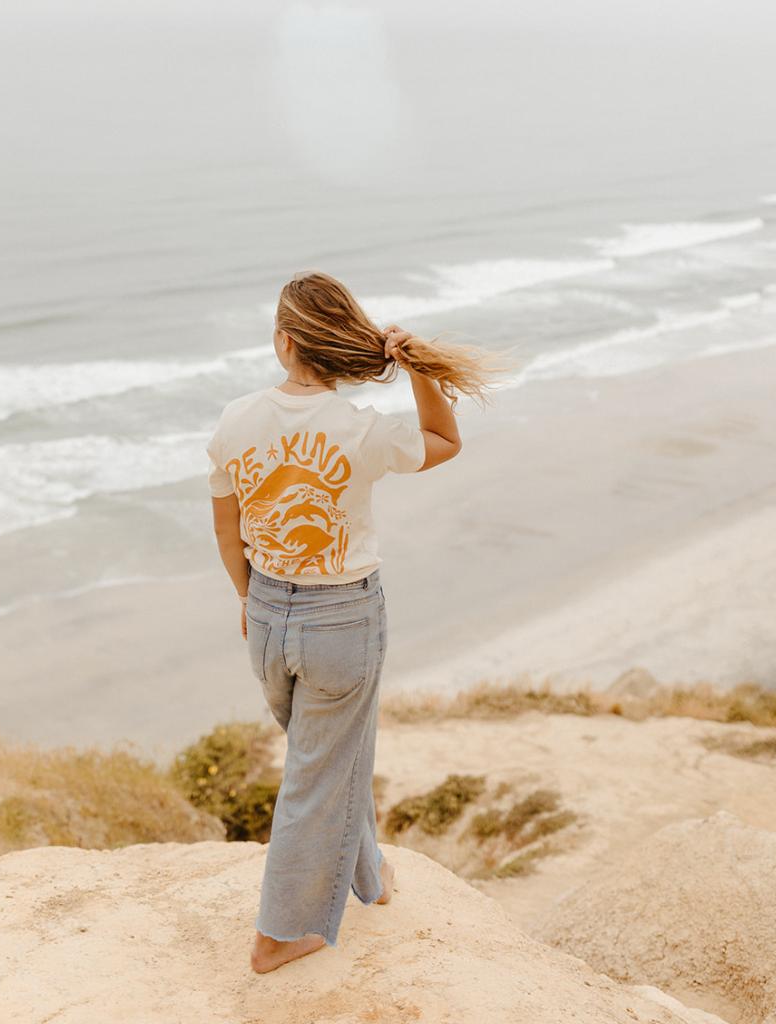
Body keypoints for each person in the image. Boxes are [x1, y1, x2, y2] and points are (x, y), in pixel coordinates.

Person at [205, 270, 506, 974]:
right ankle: (279, 934)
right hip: (342, 617)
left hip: (267, 612)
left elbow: (228, 534)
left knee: (328, 752)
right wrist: (415, 367)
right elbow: (443, 439)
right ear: (336, 346)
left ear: (283, 343)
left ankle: (366, 876)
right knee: (319, 769)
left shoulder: (233, 421)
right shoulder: (360, 431)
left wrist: (252, 604)